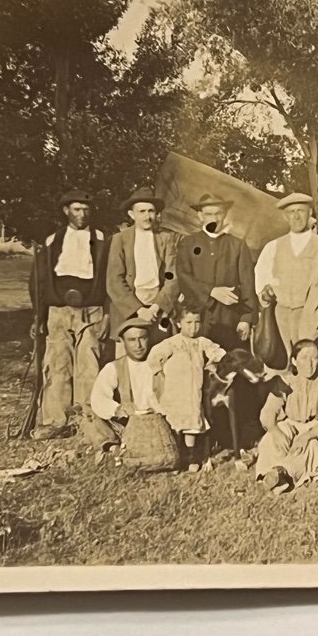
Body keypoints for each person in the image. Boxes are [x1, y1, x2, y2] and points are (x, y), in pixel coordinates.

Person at [28, 189, 111, 439]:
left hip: (91, 309)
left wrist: (107, 314)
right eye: (76, 209)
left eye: (86, 209)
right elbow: (40, 282)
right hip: (59, 310)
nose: (82, 214)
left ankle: (88, 417)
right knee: (57, 364)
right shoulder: (53, 241)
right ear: (66, 211)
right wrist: (38, 317)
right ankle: (55, 420)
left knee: (89, 363)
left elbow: (110, 280)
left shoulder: (102, 240)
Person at [83, 317, 181, 472]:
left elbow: (176, 394)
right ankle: (113, 447)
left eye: (142, 338)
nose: (138, 345)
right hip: (127, 423)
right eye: (132, 340)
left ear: (149, 338)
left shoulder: (160, 363)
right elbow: (99, 397)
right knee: (89, 414)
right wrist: (117, 408)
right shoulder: (114, 367)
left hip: (157, 422)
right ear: (122, 341)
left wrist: (161, 409)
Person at [254, 192, 318, 359]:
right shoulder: (273, 246)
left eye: (301, 211)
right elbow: (261, 278)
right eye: (292, 212)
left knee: (310, 365)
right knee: (283, 368)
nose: (297, 216)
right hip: (281, 318)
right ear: (286, 217)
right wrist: (264, 293)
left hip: (314, 317)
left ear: (310, 214)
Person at [253, 339, 318, 494]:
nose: (310, 364)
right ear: (294, 361)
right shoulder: (285, 382)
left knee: (308, 449)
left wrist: (307, 436)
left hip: (314, 428)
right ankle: (265, 476)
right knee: (271, 439)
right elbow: (268, 412)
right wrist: (275, 431)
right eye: (304, 358)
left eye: (314, 358)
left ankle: (283, 475)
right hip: (290, 425)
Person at [147, 303, 228, 472]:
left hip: (193, 391)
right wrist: (159, 374)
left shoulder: (201, 342)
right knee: (175, 423)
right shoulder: (172, 343)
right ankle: (176, 459)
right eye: (189, 323)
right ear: (178, 324)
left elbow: (218, 352)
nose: (193, 327)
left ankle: (192, 456)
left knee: (192, 423)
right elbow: (154, 356)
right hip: (175, 391)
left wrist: (213, 362)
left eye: (197, 322)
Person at [174, 193, 258, 352]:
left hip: (230, 319)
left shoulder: (237, 245)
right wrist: (211, 291)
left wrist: (246, 319)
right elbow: (184, 278)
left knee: (230, 364)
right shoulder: (188, 244)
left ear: (225, 214)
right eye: (209, 214)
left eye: (218, 213)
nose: (214, 218)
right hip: (198, 318)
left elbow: (248, 284)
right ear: (200, 216)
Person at [106, 187, 180, 355]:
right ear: (131, 214)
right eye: (142, 211)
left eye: (151, 211)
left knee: (159, 358)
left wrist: (156, 307)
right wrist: (138, 310)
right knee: (128, 361)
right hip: (129, 308)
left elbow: (173, 277)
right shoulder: (120, 240)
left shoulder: (166, 239)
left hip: (158, 307)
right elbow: (114, 280)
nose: (147, 216)